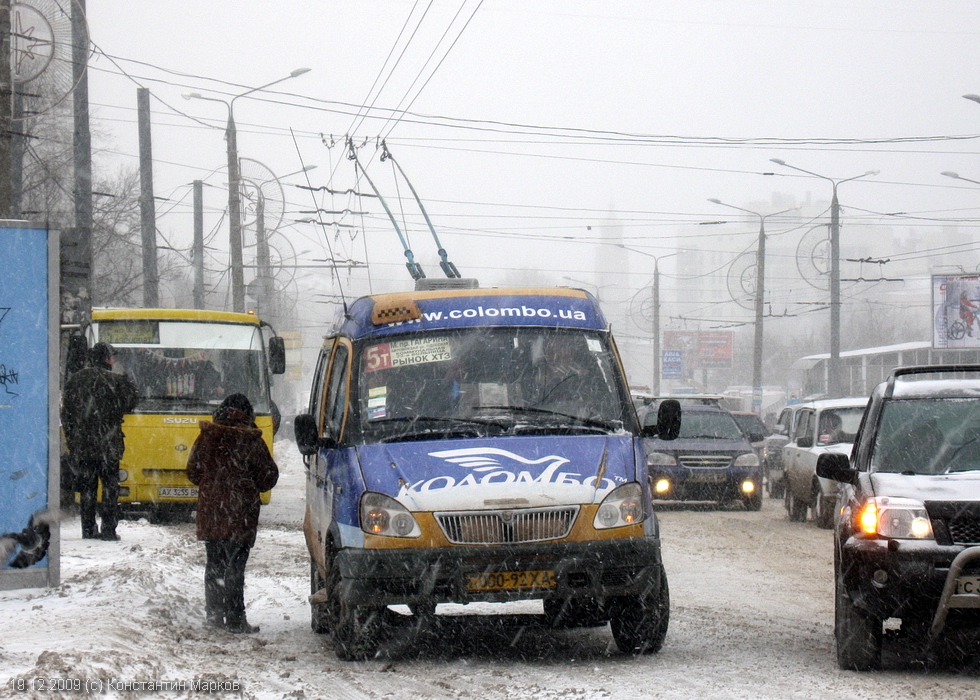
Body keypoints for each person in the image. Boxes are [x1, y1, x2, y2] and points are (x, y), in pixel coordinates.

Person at [186, 393, 279, 633]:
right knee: (235, 566)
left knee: (214, 565)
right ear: (248, 414)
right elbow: (267, 477)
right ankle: (236, 620)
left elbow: (193, 472)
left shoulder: (207, 436)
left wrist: (213, 484)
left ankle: (215, 617)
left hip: (212, 511)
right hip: (241, 513)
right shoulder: (252, 440)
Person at [61, 342, 138, 541]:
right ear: (107, 359)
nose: (114, 360)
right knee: (110, 488)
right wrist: (126, 380)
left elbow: (66, 415)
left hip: (84, 444)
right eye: (112, 357)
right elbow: (130, 404)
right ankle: (109, 529)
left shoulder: (75, 380)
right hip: (108, 444)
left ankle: (88, 529)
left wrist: (73, 441)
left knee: (87, 488)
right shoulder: (116, 381)